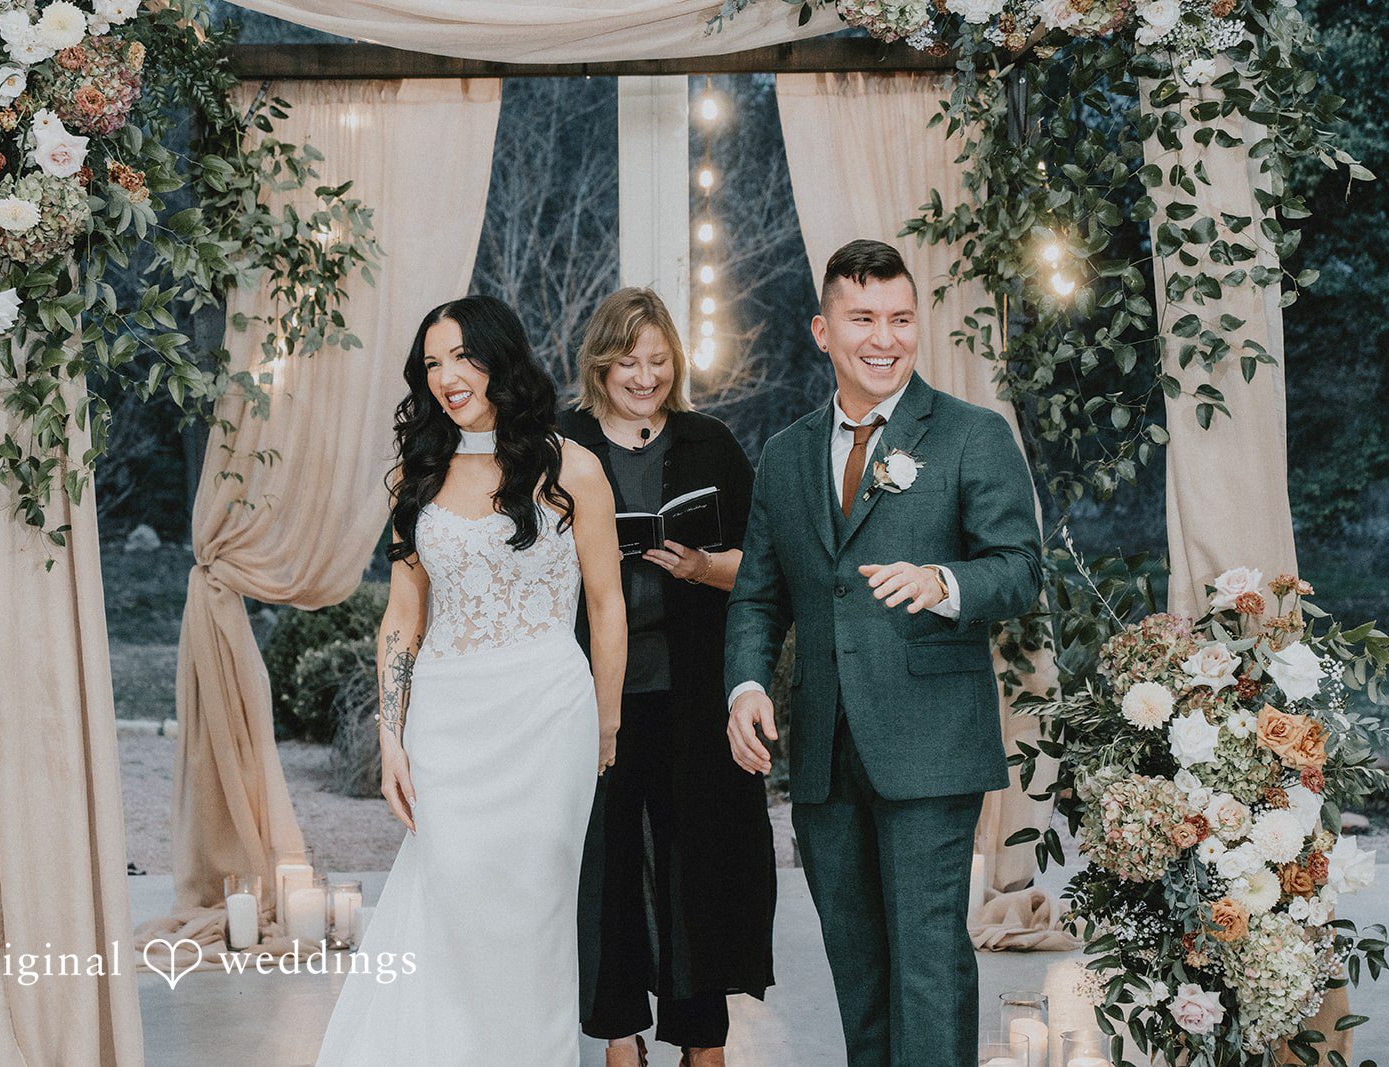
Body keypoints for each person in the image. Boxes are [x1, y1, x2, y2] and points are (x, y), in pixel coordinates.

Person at [723, 241, 1043, 1067]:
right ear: (823, 330)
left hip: (931, 747)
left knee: (929, 968)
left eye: (901, 318)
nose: (885, 337)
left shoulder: (973, 435)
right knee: (860, 977)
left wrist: (943, 581)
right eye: (864, 319)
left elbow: (1019, 571)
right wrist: (747, 684)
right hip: (825, 754)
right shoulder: (787, 454)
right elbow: (760, 593)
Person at [316, 295, 626, 1066]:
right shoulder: (417, 476)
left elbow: (607, 604)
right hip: (448, 722)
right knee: (450, 900)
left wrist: (608, 722)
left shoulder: (573, 467)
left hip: (549, 717)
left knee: (534, 911)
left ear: (499, 357)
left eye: (461, 355)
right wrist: (392, 737)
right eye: (431, 363)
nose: (447, 375)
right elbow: (400, 617)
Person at [560, 288, 776, 1067]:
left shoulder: (709, 443)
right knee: (607, 865)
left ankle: (701, 1037)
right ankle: (621, 1034)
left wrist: (705, 564)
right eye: (629, 361)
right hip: (591, 694)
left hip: (693, 693)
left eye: (658, 360)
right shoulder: (562, 444)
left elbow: (767, 565)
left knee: (699, 867)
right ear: (599, 364)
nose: (645, 376)